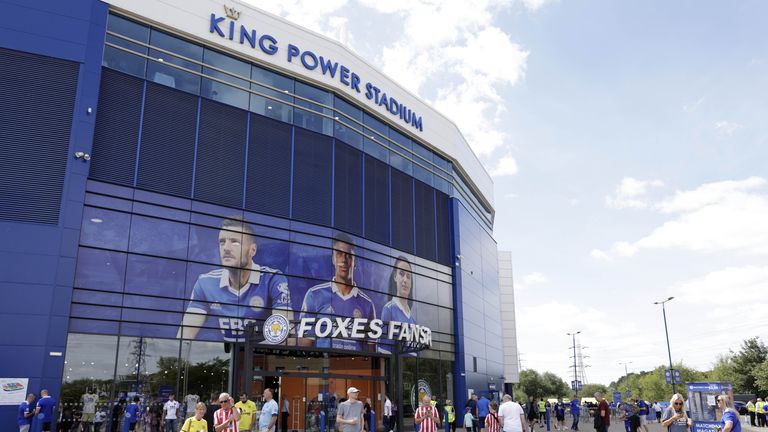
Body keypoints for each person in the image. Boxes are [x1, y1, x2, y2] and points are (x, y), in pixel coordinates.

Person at [178, 217, 293, 341]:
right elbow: (184, 338)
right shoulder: (205, 283)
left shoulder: (272, 280)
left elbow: (287, 338)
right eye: (222, 242)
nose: (226, 248)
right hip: (223, 358)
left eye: (235, 242)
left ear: (252, 250)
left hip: (260, 358)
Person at [300, 233, 376, 350]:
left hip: (356, 366)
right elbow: (305, 347)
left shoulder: (367, 304)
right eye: (339, 254)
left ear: (354, 261)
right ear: (333, 259)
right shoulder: (314, 295)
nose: (343, 260)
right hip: (324, 365)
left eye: (348, 256)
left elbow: (371, 351)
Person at [379, 257, 417, 354]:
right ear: (395, 276)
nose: (405, 280)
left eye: (408, 276)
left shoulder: (413, 321)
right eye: (401, 274)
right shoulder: (388, 310)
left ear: (411, 283)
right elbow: (384, 353)